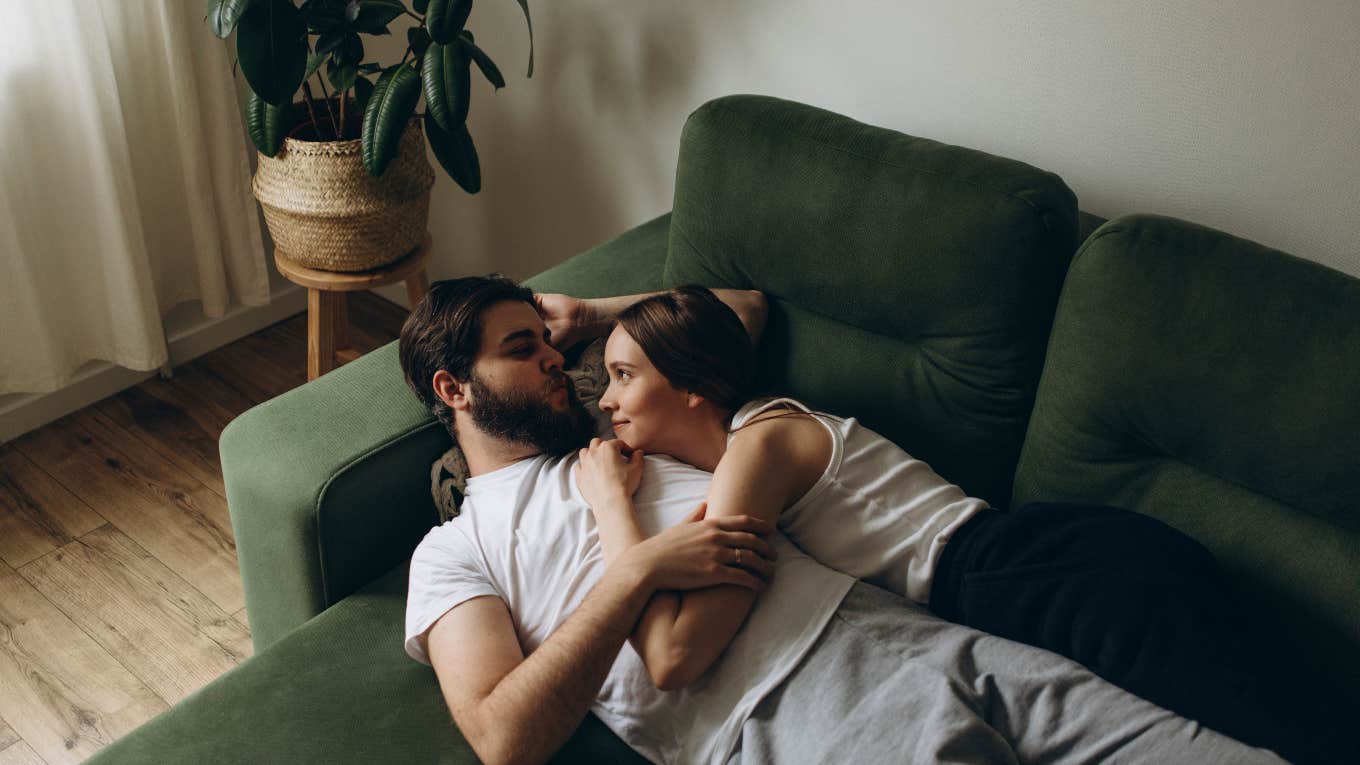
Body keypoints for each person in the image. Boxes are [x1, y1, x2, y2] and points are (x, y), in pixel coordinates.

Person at [400, 275, 1289, 765]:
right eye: (525, 349)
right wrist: (636, 567)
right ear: (454, 388)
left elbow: (735, 314)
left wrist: (592, 313)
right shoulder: (455, 549)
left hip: (929, 635)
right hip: (788, 715)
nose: (558, 360)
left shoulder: (624, 416)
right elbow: (502, 734)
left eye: (549, 339)